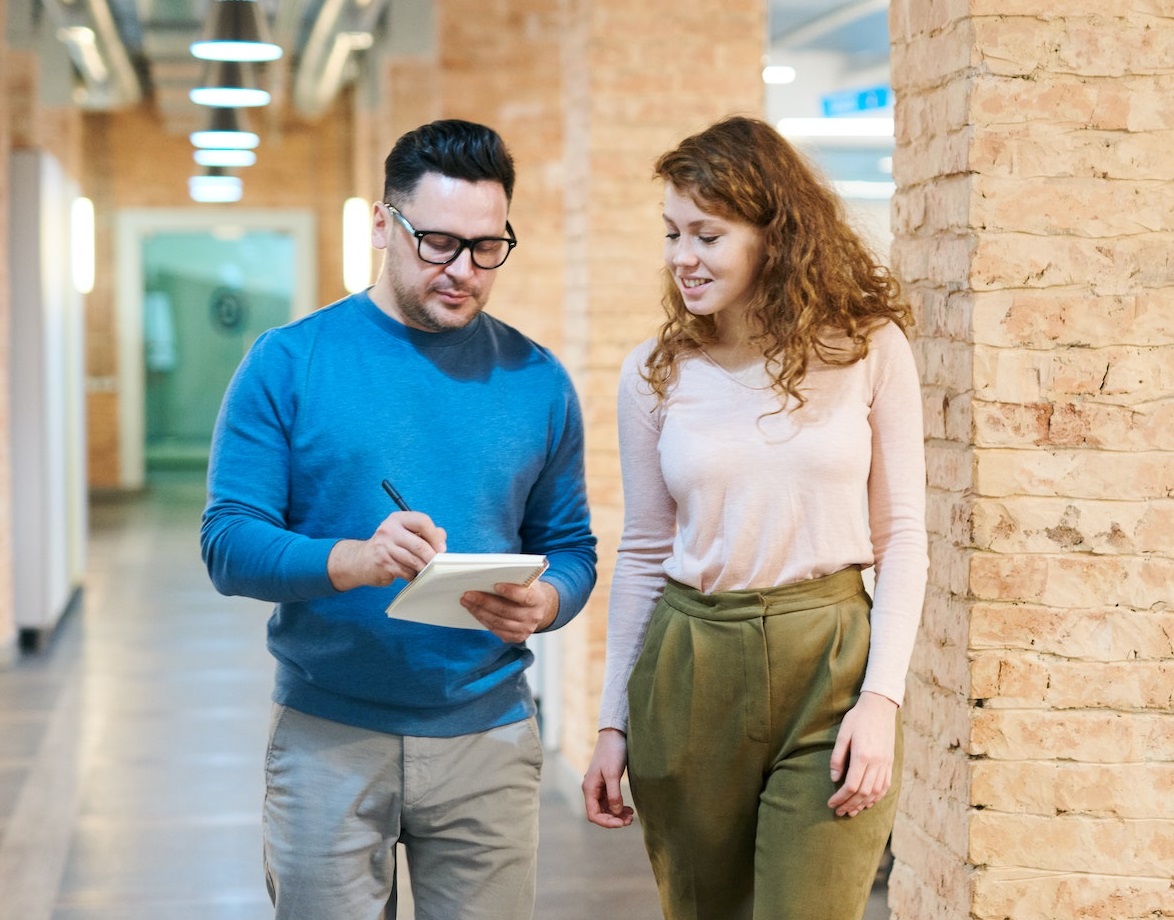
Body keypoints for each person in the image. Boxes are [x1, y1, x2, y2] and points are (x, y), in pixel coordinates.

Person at [201, 118, 597, 920]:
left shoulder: (537, 380)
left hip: (488, 736)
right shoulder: (289, 362)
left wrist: (548, 600)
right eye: (438, 243)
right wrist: (353, 559)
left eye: (488, 247)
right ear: (383, 225)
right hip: (326, 738)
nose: (463, 271)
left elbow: (570, 548)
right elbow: (228, 543)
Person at [581, 114, 928, 920]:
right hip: (690, 664)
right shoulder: (656, 373)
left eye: (707, 234)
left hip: (831, 663)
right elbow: (642, 551)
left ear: (774, 235)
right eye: (672, 234)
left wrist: (883, 700)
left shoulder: (869, 349)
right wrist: (612, 724)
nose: (681, 258)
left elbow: (902, 534)